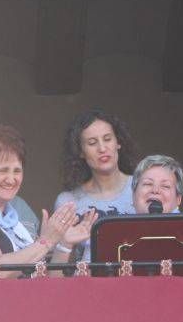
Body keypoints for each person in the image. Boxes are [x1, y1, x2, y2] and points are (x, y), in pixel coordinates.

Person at [0, 123, 97, 276]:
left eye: (17, 171)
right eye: (3, 171)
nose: (11, 179)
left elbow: (46, 283)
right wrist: (45, 242)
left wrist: (64, 244)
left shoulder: (12, 220)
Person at [55, 109, 139, 260]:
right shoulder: (68, 202)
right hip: (86, 282)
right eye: (92, 143)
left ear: (118, 143)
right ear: (81, 152)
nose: (102, 148)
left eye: (107, 139)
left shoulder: (144, 187)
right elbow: (58, 275)